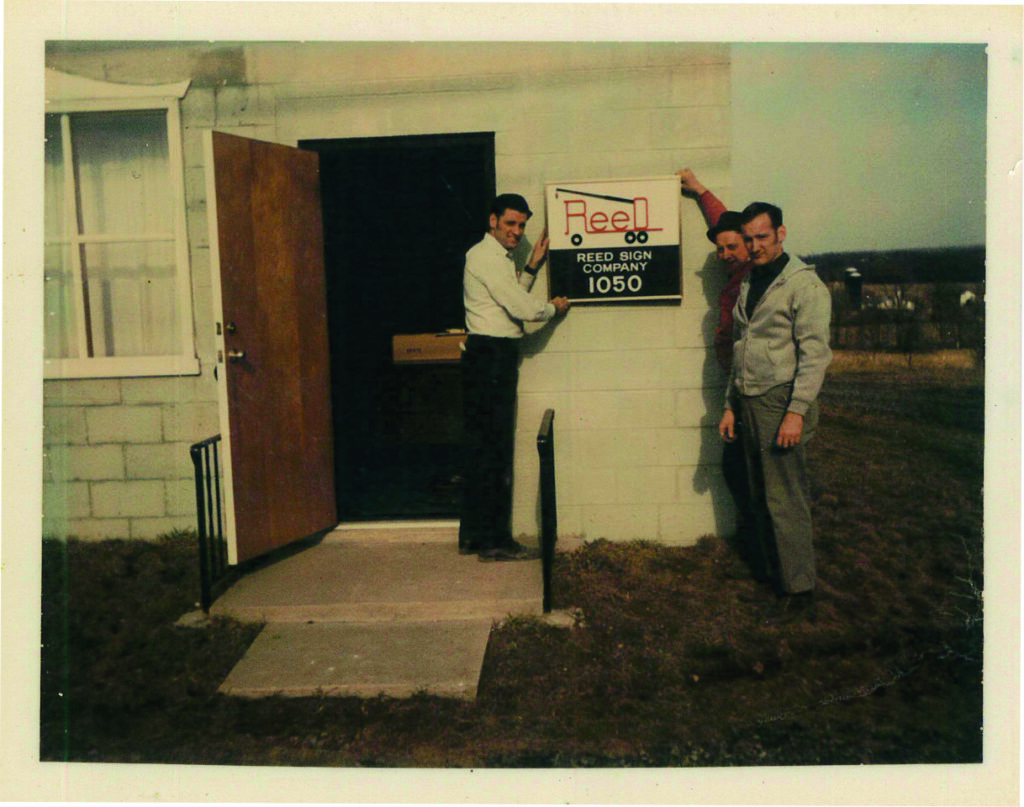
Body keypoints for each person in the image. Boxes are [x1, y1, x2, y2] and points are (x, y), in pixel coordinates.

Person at [718, 202, 832, 625]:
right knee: (759, 494)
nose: (754, 246)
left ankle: (799, 589)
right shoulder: (750, 281)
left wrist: (795, 413)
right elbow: (740, 347)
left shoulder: (804, 285)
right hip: (748, 399)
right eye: (748, 239)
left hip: (780, 400)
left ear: (781, 234)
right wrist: (730, 405)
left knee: (785, 497)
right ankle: (773, 577)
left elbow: (815, 356)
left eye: (762, 237)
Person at [459, 193, 571, 561]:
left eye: (522, 226)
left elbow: (507, 304)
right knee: (496, 450)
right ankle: (495, 543)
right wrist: (552, 309)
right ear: (492, 221)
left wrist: (532, 267)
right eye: (510, 224)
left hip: (490, 356)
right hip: (491, 358)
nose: (517, 232)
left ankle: (477, 536)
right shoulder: (484, 256)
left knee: (484, 448)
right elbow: (522, 309)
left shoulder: (496, 259)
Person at [677, 169, 762, 582]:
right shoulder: (737, 264)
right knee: (736, 466)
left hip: (753, 387)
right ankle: (753, 542)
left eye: (732, 247)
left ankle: (758, 547)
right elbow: (724, 225)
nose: (725, 253)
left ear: (750, 244)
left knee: (746, 469)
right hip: (738, 386)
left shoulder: (755, 279)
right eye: (721, 249)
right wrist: (701, 192)